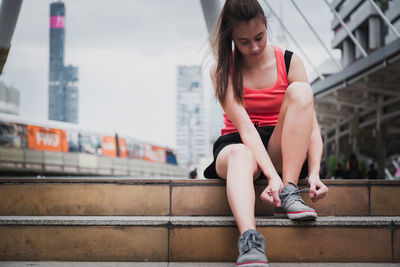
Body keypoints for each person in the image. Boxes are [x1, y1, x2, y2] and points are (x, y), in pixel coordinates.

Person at [203, 1, 328, 266]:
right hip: (238, 144)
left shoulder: (289, 61)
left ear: (266, 25)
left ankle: (290, 193)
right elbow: (246, 129)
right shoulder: (221, 69)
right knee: (240, 154)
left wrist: (315, 173)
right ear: (231, 38)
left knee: (302, 91)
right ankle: (250, 240)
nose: (255, 47)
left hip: (278, 144)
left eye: (259, 37)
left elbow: (311, 126)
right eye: (244, 42)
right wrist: (272, 177)